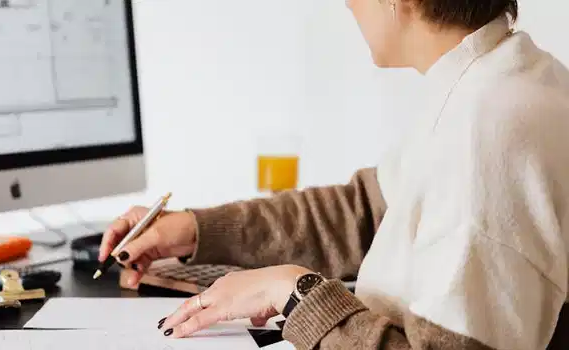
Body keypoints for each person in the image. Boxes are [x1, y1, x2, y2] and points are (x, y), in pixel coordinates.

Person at [100, 0, 569, 349]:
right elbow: (365, 211)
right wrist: (194, 228)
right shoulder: (498, 78)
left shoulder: (488, 127)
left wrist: (291, 291)